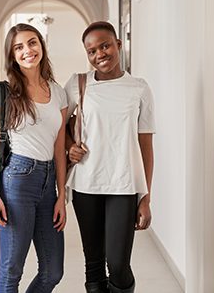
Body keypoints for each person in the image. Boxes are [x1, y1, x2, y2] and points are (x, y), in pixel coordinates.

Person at [64, 21, 155, 293]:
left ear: (118, 44)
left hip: (124, 185)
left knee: (118, 265)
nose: (99, 54)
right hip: (85, 184)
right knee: (93, 263)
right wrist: (70, 146)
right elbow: (58, 127)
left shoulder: (139, 88)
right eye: (91, 51)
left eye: (104, 46)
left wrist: (146, 197)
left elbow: (146, 145)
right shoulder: (78, 84)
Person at [0, 23, 67, 292]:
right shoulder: (4, 91)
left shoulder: (57, 91)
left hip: (48, 182)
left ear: (41, 45)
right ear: (12, 54)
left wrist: (61, 196)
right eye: (19, 47)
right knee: (12, 268)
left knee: (53, 271)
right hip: (18, 180)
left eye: (32, 43)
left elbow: (59, 148)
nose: (27, 51)